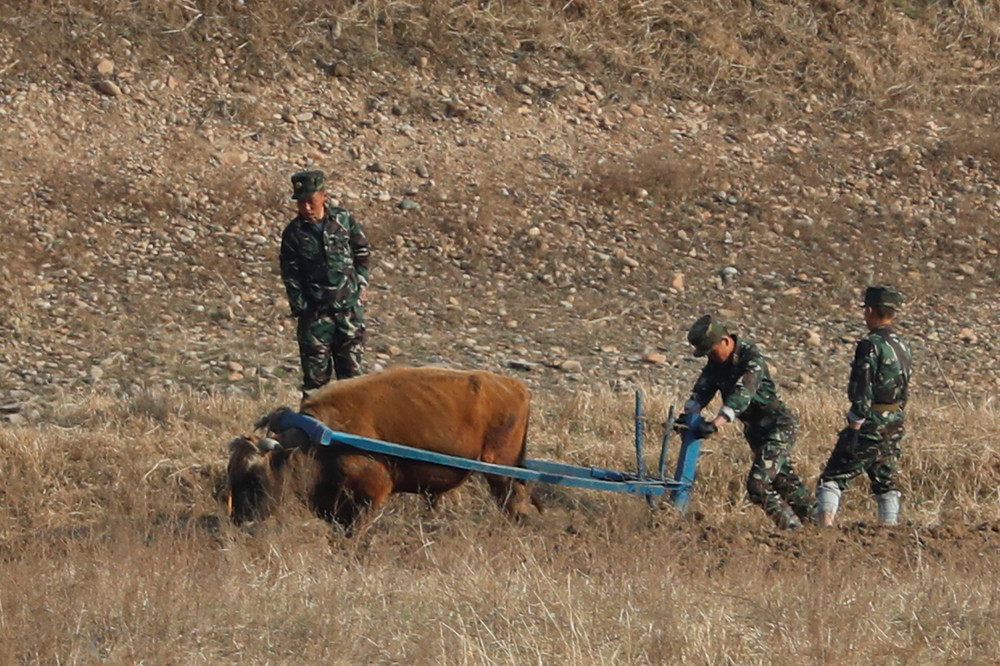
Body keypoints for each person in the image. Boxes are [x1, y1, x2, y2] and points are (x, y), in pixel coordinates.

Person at [680, 314, 815, 529]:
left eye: (713, 352)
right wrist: (688, 413)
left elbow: (742, 395)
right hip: (755, 431)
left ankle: (793, 532)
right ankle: (819, 524)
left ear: (725, 341)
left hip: (777, 425)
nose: (712, 358)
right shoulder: (716, 363)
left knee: (758, 484)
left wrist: (716, 423)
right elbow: (703, 389)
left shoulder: (751, 359)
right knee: (784, 481)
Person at [816, 286, 912, 527]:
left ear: (870, 310)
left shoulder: (870, 344)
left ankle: (823, 531)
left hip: (870, 421)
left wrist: (854, 427)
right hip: (895, 420)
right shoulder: (902, 344)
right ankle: (889, 532)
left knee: (833, 477)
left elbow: (862, 387)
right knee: (885, 481)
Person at [280, 170, 371, 397]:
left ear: (324, 196)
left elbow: (362, 251)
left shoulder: (343, 220)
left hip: (348, 313)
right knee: (315, 387)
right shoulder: (294, 233)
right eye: (301, 202)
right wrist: (301, 308)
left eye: (310, 201)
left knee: (353, 383)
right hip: (316, 318)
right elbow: (290, 273)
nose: (306, 207)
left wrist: (361, 283)